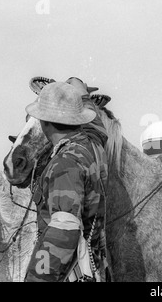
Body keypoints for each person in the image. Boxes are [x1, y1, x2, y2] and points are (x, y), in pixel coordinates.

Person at [23, 82, 109, 282]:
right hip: (87, 268)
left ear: (45, 122)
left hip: (65, 273)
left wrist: (38, 277)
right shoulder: (85, 148)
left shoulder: (66, 162)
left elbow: (64, 231)